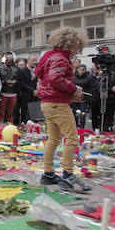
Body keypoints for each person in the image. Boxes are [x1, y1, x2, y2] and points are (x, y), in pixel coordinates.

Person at [36, 27, 90, 193]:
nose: (79, 50)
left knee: (54, 139)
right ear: (71, 43)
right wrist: (73, 89)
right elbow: (55, 78)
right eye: (78, 46)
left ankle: (49, 173)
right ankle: (67, 175)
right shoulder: (60, 58)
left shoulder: (50, 56)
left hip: (49, 102)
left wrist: (70, 91)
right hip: (57, 103)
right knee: (72, 138)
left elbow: (49, 79)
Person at [0, 53, 19, 123]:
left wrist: (15, 82)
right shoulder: (0, 69)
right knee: (1, 112)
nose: (10, 63)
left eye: (12, 61)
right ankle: (0, 126)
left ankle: (10, 125)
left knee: (10, 112)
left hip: (13, 92)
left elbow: (19, 80)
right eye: (9, 61)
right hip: (3, 92)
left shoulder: (15, 69)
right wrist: (5, 82)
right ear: (6, 60)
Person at [16, 55, 39, 124]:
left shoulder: (37, 71)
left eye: (35, 60)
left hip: (35, 96)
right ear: (28, 61)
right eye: (33, 60)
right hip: (25, 95)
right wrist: (32, 90)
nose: (34, 62)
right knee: (25, 113)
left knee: (34, 114)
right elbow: (22, 83)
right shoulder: (22, 71)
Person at [72, 63, 95, 129]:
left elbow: (91, 88)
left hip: (84, 97)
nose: (81, 71)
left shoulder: (89, 77)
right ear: (78, 70)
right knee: (75, 113)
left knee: (82, 113)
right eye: (80, 70)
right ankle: (75, 126)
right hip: (75, 98)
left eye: (83, 70)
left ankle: (82, 127)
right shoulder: (74, 77)